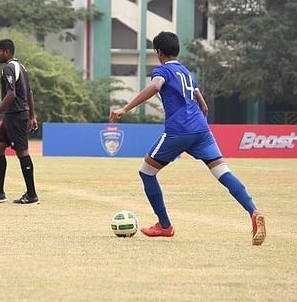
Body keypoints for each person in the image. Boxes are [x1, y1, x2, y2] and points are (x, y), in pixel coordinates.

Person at [109, 31, 266, 245]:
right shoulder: (186, 72)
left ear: (158, 52)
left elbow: (155, 86)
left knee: (147, 172)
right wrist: (197, 117)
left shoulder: (162, 70)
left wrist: (125, 109)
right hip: (201, 131)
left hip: (179, 130)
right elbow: (203, 105)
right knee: (223, 172)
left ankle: (164, 225)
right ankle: (253, 211)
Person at [0, 39, 39, 204]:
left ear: (6, 51)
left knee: (22, 152)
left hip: (15, 115)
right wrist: (32, 115)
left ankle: (32, 194)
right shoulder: (21, 67)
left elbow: (11, 94)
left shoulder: (8, 67)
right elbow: (29, 93)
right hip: (14, 115)